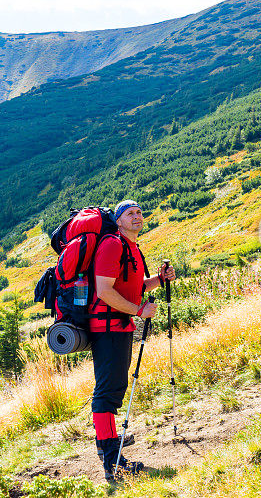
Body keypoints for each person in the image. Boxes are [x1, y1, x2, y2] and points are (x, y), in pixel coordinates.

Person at [89, 199, 176, 481]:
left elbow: (133, 286)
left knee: (114, 389)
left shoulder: (131, 248)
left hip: (119, 325)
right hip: (107, 327)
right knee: (107, 393)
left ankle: (110, 448)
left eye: (139, 212)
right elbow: (104, 291)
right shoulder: (113, 244)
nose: (137, 216)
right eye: (130, 213)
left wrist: (159, 281)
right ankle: (112, 460)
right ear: (118, 220)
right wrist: (140, 310)